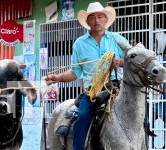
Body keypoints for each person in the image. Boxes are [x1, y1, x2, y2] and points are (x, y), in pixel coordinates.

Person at [46, 2, 129, 150]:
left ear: (105, 19)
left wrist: (119, 62)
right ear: (88, 21)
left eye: (100, 16)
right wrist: (58, 78)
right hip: (93, 92)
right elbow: (75, 72)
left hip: (117, 88)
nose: (97, 20)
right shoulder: (79, 44)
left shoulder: (118, 39)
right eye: (93, 17)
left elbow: (131, 60)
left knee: (137, 114)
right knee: (82, 118)